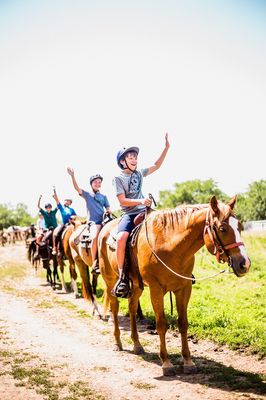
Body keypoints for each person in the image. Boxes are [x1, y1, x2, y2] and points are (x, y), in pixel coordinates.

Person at [112, 133, 170, 298]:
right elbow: (122, 201)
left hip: (146, 211)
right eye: (130, 156)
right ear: (122, 161)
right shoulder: (118, 178)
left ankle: (174, 268)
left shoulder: (139, 173)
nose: (134, 159)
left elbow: (157, 165)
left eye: (135, 156)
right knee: (122, 237)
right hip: (129, 214)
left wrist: (166, 148)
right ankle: (122, 275)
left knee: (167, 228)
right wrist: (140, 200)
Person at [67, 168, 112, 274]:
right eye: (95, 182)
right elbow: (77, 188)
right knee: (95, 236)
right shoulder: (87, 194)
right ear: (91, 184)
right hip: (93, 222)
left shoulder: (104, 196)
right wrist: (72, 176)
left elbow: (108, 207)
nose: (97, 184)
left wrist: (109, 211)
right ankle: (95, 262)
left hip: (104, 221)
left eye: (99, 182)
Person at [52, 187, 77, 255]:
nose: (66, 201)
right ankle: (55, 248)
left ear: (70, 203)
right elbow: (57, 200)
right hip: (64, 224)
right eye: (65, 200)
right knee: (58, 234)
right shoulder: (61, 207)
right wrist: (55, 191)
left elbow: (75, 216)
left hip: (71, 224)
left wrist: (73, 217)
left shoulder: (72, 209)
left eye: (68, 200)